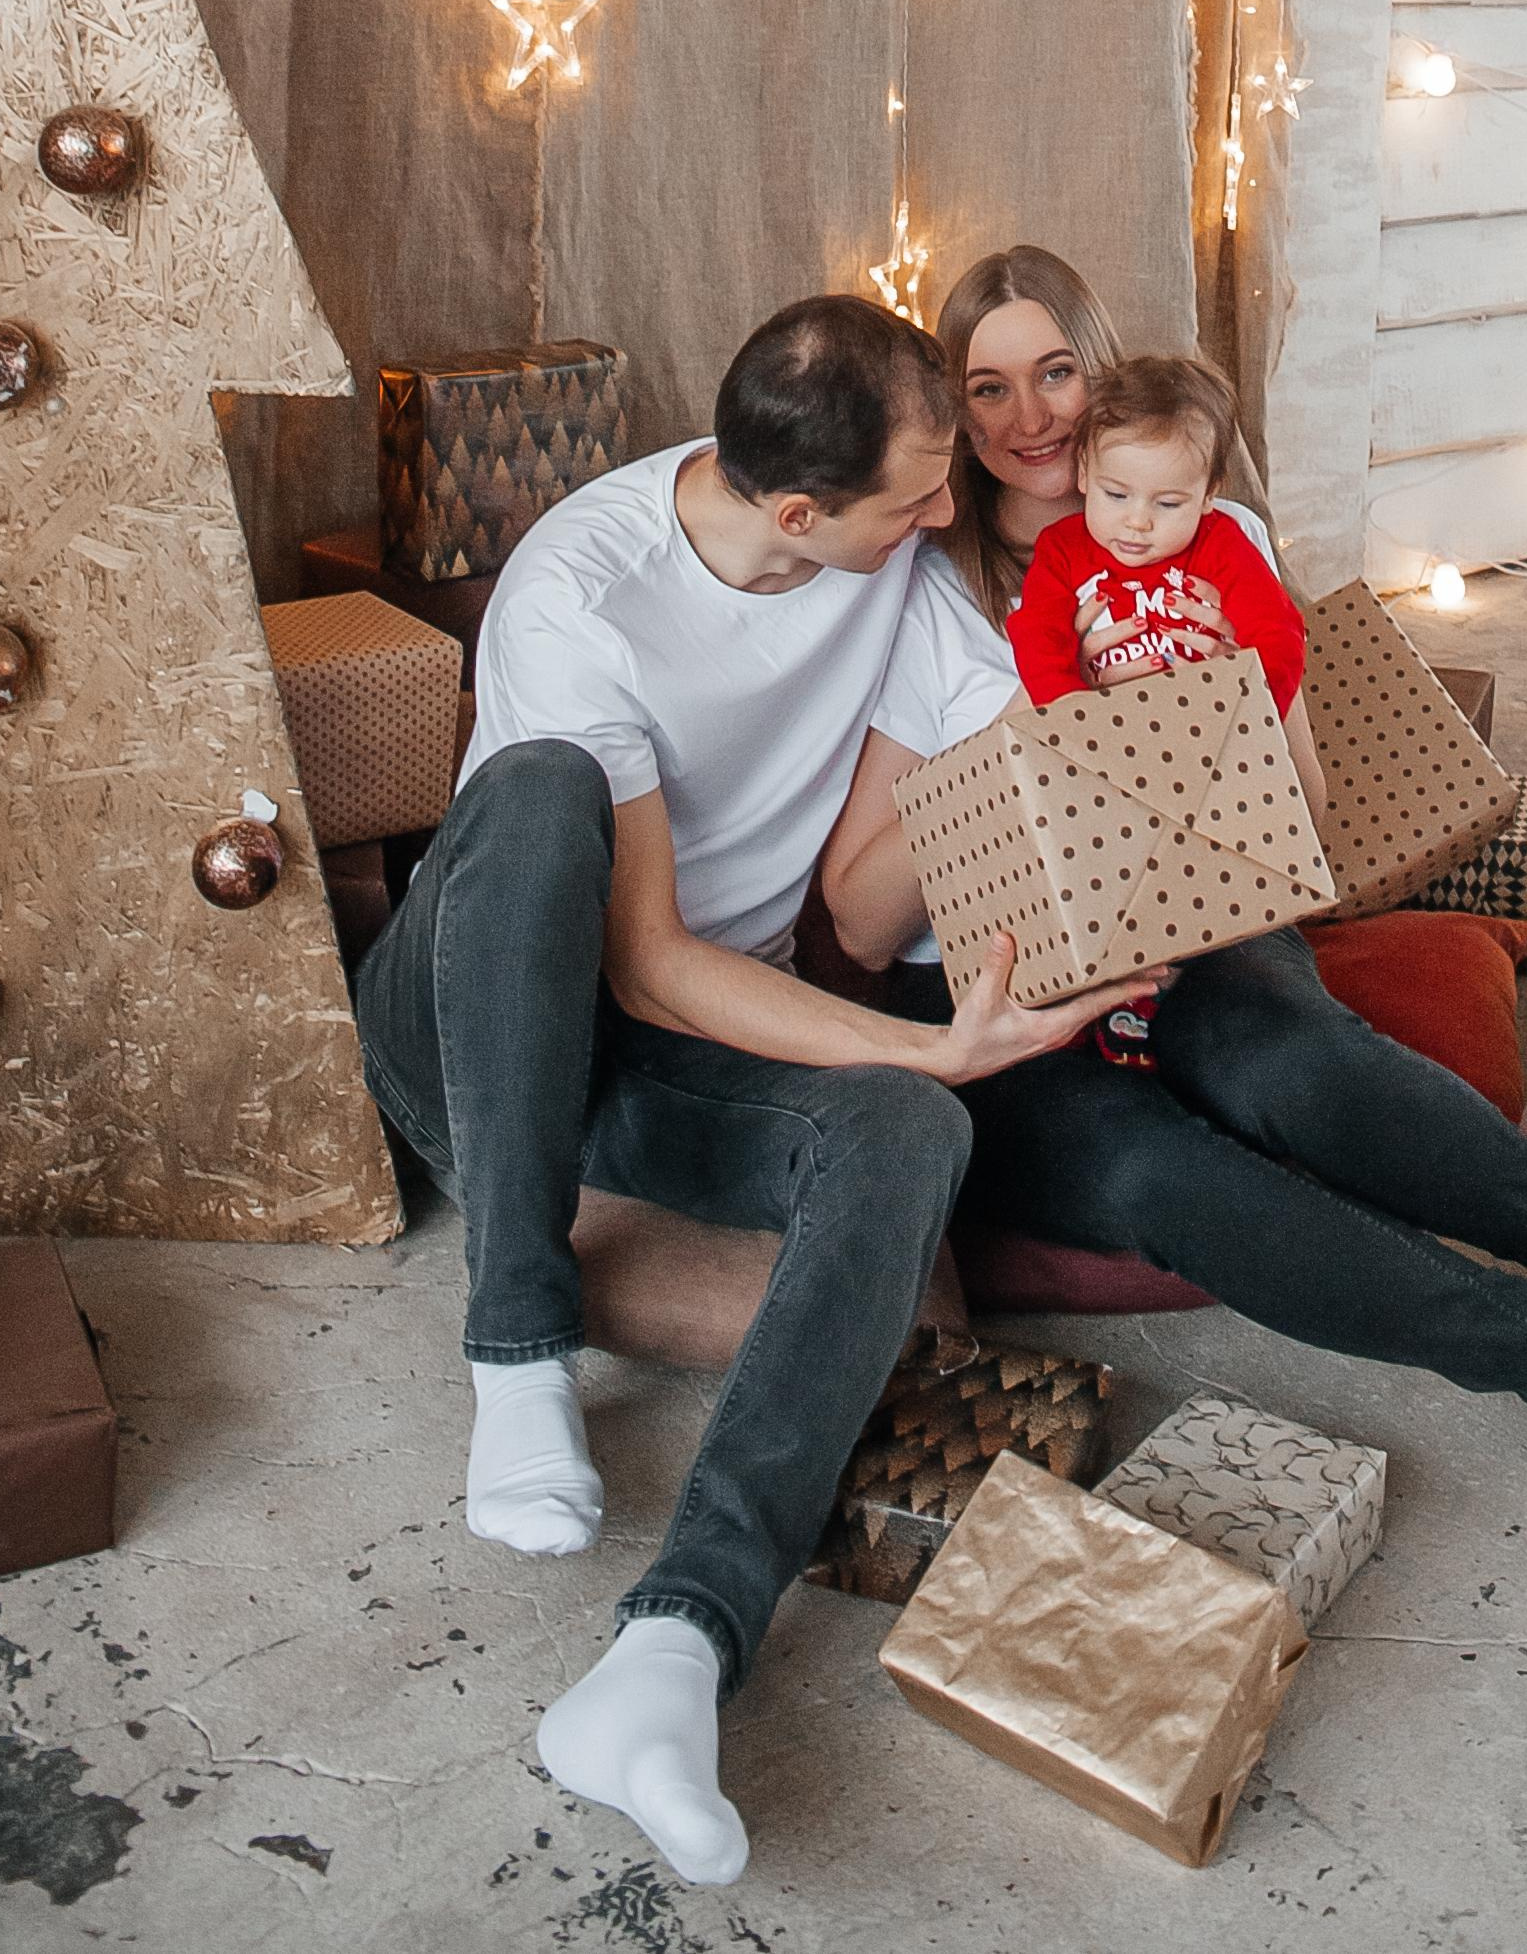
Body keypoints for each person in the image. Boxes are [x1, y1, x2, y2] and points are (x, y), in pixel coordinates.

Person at [820, 245, 1527, 1546]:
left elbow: (1305, 810)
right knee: (1152, 1175)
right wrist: (1021, 730)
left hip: (1206, 924)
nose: (1030, 419)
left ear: (1099, 365)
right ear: (951, 410)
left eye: (1055, 370)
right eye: (987, 387)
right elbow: (855, 916)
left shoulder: (1205, 536)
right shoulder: (924, 595)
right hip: (1004, 991)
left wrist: (1221, 694)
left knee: (1290, 1065)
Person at [351, 292, 1145, 1890]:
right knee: (538, 786)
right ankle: (516, 1346)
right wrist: (922, 1036)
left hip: (651, 1076)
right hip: (481, 1024)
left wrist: (1133, 896)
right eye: (916, 492)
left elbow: (1031, 756)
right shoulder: (586, 581)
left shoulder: (897, 571)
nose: (951, 505)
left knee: (914, 1128)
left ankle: (674, 1647)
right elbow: (641, 963)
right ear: (798, 510)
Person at [1009, 344, 1321, 1063]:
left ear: (1208, 493)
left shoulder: (1221, 545)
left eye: (1167, 502)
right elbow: (1038, 639)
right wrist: (1075, 721)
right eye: (1116, 495)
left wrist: (1242, 716)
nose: (1137, 524)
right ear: (1084, 473)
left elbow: (1277, 633)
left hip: (1208, 751)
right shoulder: (1062, 552)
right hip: (1102, 760)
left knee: (1206, 875)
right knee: (1108, 873)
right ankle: (1122, 1001)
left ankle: (1186, 986)